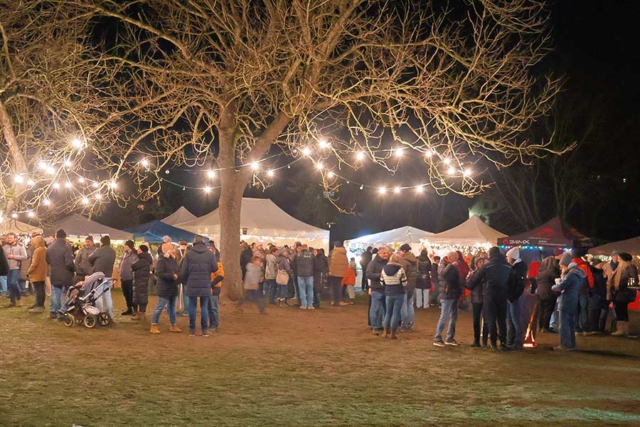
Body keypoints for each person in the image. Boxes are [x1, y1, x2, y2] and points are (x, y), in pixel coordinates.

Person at [466, 247, 511, 350]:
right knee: (502, 319)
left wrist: (465, 284)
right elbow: (512, 281)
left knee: (491, 319)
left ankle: (494, 343)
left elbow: (475, 280)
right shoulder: (507, 266)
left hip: (489, 294)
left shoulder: (487, 266)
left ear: (490, 254)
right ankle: (503, 342)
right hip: (503, 295)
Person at [180, 235, 217, 336]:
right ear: (204, 242)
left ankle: (192, 329)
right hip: (205, 283)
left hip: (192, 283)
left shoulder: (188, 254)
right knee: (204, 307)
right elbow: (215, 268)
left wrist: (185, 281)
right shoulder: (210, 254)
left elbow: (183, 271)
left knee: (192, 306)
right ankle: (204, 329)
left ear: (194, 242)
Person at [551, 251, 585, 351]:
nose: (561, 269)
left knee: (564, 324)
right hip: (573, 300)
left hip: (565, 301)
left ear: (565, 265)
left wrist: (554, 285)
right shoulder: (577, 274)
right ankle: (571, 344)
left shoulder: (570, 275)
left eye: (561, 266)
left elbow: (560, 287)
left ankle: (564, 344)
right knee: (570, 324)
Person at [433, 252, 462, 347]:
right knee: (444, 316)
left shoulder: (452, 266)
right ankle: (437, 338)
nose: (457, 260)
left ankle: (449, 338)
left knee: (453, 317)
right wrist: (451, 265)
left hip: (454, 293)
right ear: (449, 258)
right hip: (447, 294)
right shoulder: (443, 265)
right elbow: (443, 274)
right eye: (455, 258)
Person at [150, 246, 181, 334]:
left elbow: (177, 270)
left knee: (172, 308)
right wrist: (172, 276)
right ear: (164, 250)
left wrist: (178, 275)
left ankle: (173, 325)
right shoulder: (161, 261)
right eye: (170, 248)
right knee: (160, 307)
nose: (172, 250)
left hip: (173, 287)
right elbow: (159, 273)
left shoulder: (173, 260)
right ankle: (154, 324)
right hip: (164, 288)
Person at [607, 252, 639, 337]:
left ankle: (622, 329)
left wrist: (624, 285)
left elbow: (633, 280)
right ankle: (622, 329)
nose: (618, 260)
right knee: (620, 310)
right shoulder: (621, 268)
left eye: (620, 259)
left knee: (621, 310)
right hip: (619, 292)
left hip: (624, 293)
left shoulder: (630, 267)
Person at [45, 230, 75, 318]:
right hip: (65, 273)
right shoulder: (66, 247)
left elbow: (48, 261)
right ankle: (63, 310)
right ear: (65, 237)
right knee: (67, 293)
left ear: (56, 236)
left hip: (54, 273)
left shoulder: (50, 247)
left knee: (55, 292)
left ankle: (54, 311)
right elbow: (69, 263)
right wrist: (74, 269)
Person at [88, 235, 117, 319]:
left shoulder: (99, 250)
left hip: (99, 276)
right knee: (108, 296)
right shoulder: (113, 251)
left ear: (102, 242)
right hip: (108, 276)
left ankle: (99, 314)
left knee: (98, 296)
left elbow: (90, 258)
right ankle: (110, 314)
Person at [506, 247, 528, 351]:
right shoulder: (518, 267)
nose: (507, 259)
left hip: (515, 297)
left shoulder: (518, 268)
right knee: (512, 320)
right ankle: (511, 341)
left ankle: (518, 342)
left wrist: (513, 297)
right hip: (513, 297)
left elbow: (519, 285)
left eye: (508, 257)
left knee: (515, 320)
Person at [381, 254, 408, 339]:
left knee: (388, 313)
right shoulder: (401, 269)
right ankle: (393, 333)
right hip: (399, 293)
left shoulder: (383, 269)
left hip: (388, 293)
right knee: (395, 313)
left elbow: (381, 282)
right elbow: (404, 283)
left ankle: (385, 332)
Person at [466, 254, 489, 347]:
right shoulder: (474, 274)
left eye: (483, 261)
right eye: (480, 262)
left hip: (485, 298)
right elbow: (469, 284)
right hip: (476, 298)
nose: (482, 263)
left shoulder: (487, 274)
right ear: (476, 264)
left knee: (486, 320)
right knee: (476, 320)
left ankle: (484, 341)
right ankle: (476, 340)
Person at [366, 246, 390, 335]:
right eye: (384, 253)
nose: (386, 254)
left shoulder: (388, 263)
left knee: (385, 309)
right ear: (379, 253)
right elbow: (368, 274)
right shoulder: (372, 263)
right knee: (375, 308)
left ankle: (382, 325)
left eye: (387, 253)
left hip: (386, 289)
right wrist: (380, 275)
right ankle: (374, 326)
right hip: (376, 289)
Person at [3, 232, 27, 308]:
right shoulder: (5, 247)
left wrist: (13, 256)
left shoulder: (20, 246)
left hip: (16, 267)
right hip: (7, 268)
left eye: (11, 238)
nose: (9, 239)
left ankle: (19, 298)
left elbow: (24, 256)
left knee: (13, 282)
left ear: (15, 239)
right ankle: (12, 301)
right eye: (8, 238)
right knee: (10, 284)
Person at [397, 244, 418, 331]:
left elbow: (401, 274)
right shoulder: (415, 260)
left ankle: (404, 324)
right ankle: (410, 324)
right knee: (410, 304)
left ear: (404, 251)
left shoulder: (404, 261)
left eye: (400, 251)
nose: (399, 253)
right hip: (412, 285)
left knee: (403, 305)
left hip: (404, 286)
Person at [537, 256, 560, 333]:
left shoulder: (541, 272)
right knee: (548, 310)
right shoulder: (553, 271)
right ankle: (545, 327)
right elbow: (558, 282)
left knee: (541, 310)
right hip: (549, 293)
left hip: (540, 293)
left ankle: (540, 327)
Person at [131, 244, 153, 321]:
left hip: (140, 281)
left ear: (142, 251)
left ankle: (141, 314)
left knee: (140, 297)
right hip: (143, 280)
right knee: (142, 296)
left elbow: (133, 266)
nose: (137, 250)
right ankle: (141, 313)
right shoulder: (147, 259)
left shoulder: (143, 260)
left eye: (139, 249)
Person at [26, 235, 47, 313]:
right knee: (41, 289)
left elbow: (34, 263)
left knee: (38, 290)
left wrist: (29, 271)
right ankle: (40, 304)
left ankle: (39, 306)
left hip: (36, 273)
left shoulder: (37, 250)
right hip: (42, 272)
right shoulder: (45, 249)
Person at [292, 245, 315, 310]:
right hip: (310, 275)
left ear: (302, 248)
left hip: (300, 275)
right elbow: (315, 264)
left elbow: (293, 265)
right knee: (310, 290)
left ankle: (304, 305)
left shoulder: (297, 255)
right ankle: (310, 305)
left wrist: (297, 272)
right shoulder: (311, 255)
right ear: (307, 248)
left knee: (302, 290)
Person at [208, 243, 224, 332]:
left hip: (214, 288)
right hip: (207, 287)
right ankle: (211, 324)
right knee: (208, 307)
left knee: (213, 307)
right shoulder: (206, 263)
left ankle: (215, 324)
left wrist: (210, 284)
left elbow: (220, 276)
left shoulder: (218, 263)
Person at [118, 240, 136, 316]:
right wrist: (120, 270)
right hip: (123, 278)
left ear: (129, 246)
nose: (124, 246)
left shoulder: (134, 255)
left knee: (131, 294)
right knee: (126, 294)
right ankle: (129, 308)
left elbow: (135, 265)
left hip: (130, 278)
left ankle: (135, 309)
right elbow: (121, 263)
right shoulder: (124, 254)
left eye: (125, 245)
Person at [328, 241, 348, 307]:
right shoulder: (344, 253)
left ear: (335, 246)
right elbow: (346, 264)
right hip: (341, 273)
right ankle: (338, 300)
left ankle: (333, 300)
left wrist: (330, 271)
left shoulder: (334, 252)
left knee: (333, 287)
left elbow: (332, 263)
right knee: (339, 287)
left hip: (334, 273)